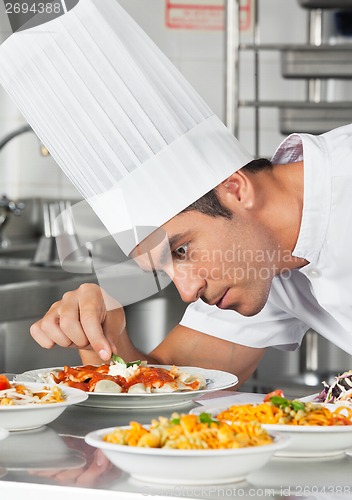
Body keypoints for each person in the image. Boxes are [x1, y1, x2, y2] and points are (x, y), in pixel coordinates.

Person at [30, 123, 352, 387]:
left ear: (236, 189)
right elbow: (175, 382)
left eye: (181, 250)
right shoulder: (254, 254)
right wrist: (103, 339)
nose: (187, 292)